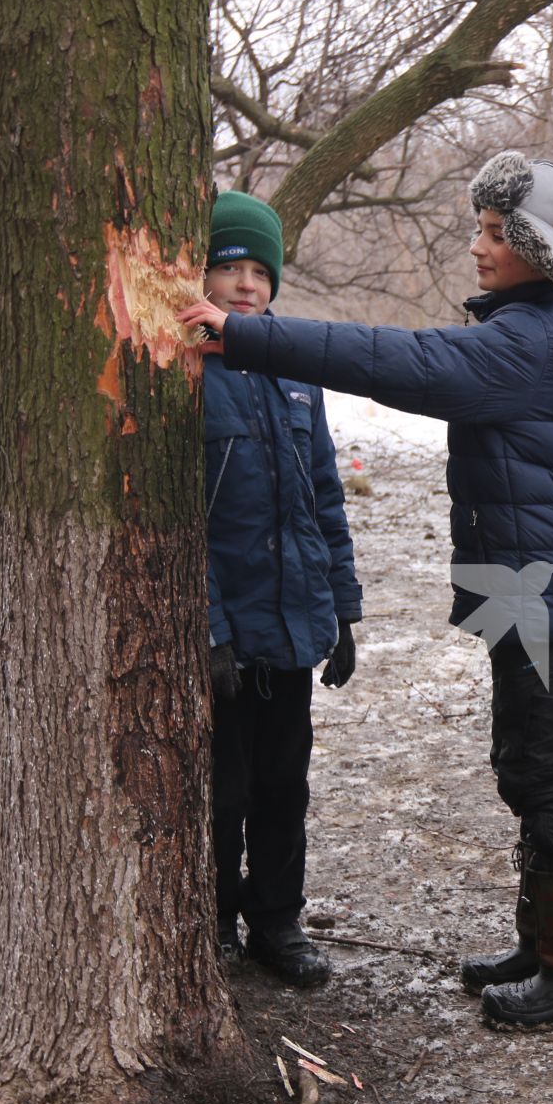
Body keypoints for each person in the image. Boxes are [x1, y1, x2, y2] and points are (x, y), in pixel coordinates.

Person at [181, 154, 553, 1032]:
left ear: (537, 249)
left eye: (496, 235)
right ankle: (546, 942)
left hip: (539, 588)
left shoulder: (527, 341)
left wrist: (239, 336)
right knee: (522, 765)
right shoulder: (536, 326)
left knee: (549, 770)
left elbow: (397, 361)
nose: (477, 248)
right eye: (480, 230)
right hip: (519, 584)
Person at [199, 190, 362, 989]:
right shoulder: (187, 374)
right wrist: (209, 629)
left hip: (294, 626)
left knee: (281, 786)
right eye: (229, 267)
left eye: (259, 271)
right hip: (227, 635)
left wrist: (345, 608)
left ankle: (277, 922)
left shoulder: (296, 376)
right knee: (221, 792)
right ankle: (216, 922)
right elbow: (174, 524)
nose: (245, 285)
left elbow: (324, 498)